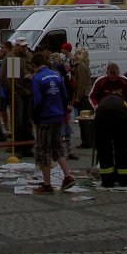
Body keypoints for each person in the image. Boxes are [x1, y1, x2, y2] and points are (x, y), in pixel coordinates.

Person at [30, 52, 76, 194]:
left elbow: (37, 101)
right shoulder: (56, 75)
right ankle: (67, 176)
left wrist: (35, 118)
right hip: (58, 116)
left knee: (43, 150)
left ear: (34, 65)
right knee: (57, 147)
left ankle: (47, 184)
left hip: (45, 118)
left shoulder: (37, 78)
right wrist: (63, 112)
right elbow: (65, 96)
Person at [94, 93, 127, 189]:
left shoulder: (102, 102)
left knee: (104, 151)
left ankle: (107, 181)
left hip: (102, 122)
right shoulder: (124, 102)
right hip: (121, 122)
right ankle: (125, 180)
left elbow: (96, 117)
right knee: (122, 151)